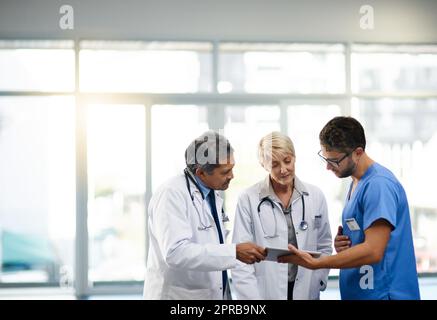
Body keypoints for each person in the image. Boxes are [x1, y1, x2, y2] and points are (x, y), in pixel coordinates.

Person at [278, 116, 420, 300]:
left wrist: (319, 262)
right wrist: (345, 242)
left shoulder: (378, 185)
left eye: (335, 161)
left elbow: (373, 250)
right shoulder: (355, 182)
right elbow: (365, 236)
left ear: (358, 152)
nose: (328, 167)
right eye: (325, 158)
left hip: (384, 294)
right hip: (362, 292)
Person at [143, 131, 266, 300]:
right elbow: (175, 252)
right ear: (201, 173)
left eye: (232, 168)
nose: (232, 176)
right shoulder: (171, 194)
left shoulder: (211, 194)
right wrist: (233, 252)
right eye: (225, 172)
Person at [231, 132, 332, 300]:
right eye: (274, 164)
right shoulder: (248, 199)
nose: (283, 170)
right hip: (265, 292)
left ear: (294, 157)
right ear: (263, 165)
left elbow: (324, 244)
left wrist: (318, 279)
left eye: (287, 161)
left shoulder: (315, 195)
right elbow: (240, 257)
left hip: (306, 289)